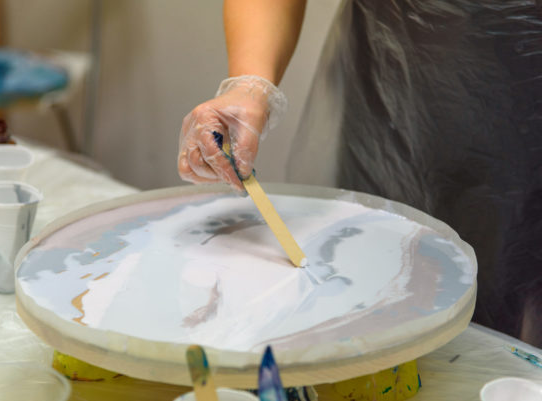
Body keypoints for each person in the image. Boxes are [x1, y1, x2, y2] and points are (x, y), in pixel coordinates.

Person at [177, 0, 542, 346]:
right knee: (371, 302)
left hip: (527, 131)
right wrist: (250, 85)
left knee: (507, 349)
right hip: (388, 113)